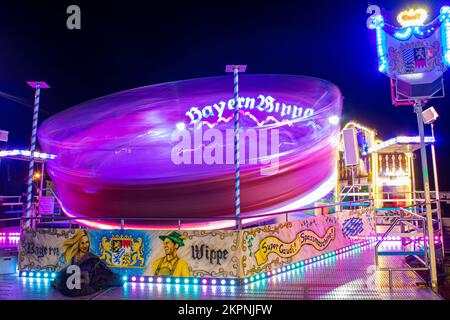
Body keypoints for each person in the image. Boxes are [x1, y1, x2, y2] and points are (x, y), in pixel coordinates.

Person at [52, 230, 122, 297]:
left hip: (88, 280)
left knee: (106, 278)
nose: (85, 245)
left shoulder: (91, 257)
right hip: (81, 285)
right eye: (82, 243)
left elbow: (101, 270)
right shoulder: (70, 256)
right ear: (78, 243)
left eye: (87, 242)